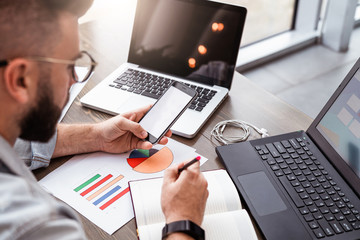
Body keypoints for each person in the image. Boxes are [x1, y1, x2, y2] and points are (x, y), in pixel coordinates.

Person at [0, 0, 208, 239]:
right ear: (20, 80)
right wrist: (183, 220)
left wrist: (96, 137)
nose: (73, 81)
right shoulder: (36, 227)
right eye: (70, 66)